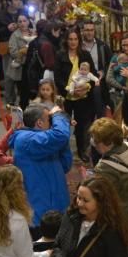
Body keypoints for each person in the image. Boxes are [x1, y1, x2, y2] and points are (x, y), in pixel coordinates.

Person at [90, 118, 128, 256]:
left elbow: (101, 199)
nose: (93, 143)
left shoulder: (104, 169)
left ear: (108, 143)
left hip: (120, 223)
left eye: (96, 141)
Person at [10, 104, 73, 227]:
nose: (53, 123)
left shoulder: (46, 141)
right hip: (40, 214)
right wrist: (59, 116)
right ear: (39, 123)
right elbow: (59, 136)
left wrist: (63, 138)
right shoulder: (26, 139)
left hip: (57, 206)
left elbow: (65, 166)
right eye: (50, 120)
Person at [55, 29, 97, 162]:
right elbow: (58, 77)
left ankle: (81, 150)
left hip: (83, 97)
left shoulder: (85, 55)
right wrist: (69, 91)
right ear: (66, 41)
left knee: (81, 125)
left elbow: (93, 74)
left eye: (75, 39)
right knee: (64, 124)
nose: (73, 42)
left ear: (79, 40)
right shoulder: (60, 55)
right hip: (66, 96)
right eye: (70, 39)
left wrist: (86, 88)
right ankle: (62, 151)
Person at [5, 14, 33, 106]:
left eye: (24, 21)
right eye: (20, 21)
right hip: (20, 68)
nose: (22, 23)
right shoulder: (14, 35)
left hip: (32, 66)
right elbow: (13, 52)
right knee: (23, 92)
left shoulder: (33, 33)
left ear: (28, 22)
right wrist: (23, 51)